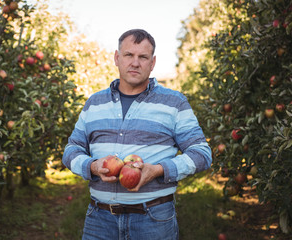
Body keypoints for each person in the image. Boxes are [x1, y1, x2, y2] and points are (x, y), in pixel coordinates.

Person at [62, 29, 212, 240]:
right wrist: (93, 166)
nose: (135, 63)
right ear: (117, 58)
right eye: (128, 55)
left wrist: (158, 170)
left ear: (152, 62)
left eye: (143, 57)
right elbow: (71, 150)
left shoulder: (174, 103)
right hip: (99, 219)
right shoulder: (94, 103)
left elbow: (201, 153)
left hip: (153, 220)